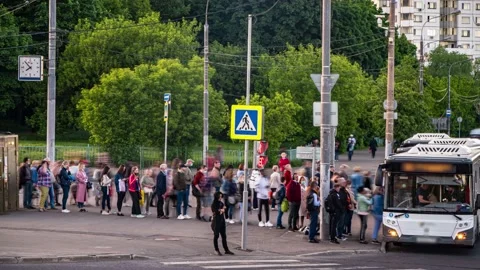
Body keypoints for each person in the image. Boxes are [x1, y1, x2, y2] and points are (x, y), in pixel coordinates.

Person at [211, 191, 234, 256]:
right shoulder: (214, 203)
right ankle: (216, 249)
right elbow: (215, 211)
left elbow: (224, 208)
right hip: (216, 221)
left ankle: (226, 249)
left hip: (222, 221)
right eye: (219, 197)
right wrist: (221, 210)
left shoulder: (221, 203)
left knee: (224, 236)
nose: (220, 198)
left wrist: (222, 210)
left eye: (221, 197)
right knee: (216, 236)